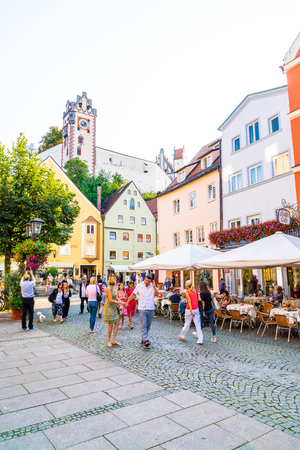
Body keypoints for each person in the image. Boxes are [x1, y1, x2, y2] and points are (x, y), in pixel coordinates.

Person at [127, 274, 159, 347]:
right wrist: (127, 302)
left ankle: (144, 338)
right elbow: (133, 295)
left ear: (151, 281)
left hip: (150, 308)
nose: (147, 282)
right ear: (144, 279)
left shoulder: (152, 286)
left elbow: (156, 294)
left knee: (148, 325)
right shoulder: (139, 286)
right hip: (142, 308)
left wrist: (154, 286)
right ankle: (146, 340)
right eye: (146, 280)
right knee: (143, 324)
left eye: (149, 281)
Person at [103, 277, 126, 347]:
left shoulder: (113, 288)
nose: (116, 281)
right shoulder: (109, 289)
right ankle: (108, 341)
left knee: (117, 322)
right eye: (115, 280)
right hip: (109, 308)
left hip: (114, 307)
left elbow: (115, 297)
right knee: (111, 324)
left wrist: (121, 302)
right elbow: (110, 300)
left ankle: (114, 340)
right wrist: (121, 303)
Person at [178, 280, 203, 345]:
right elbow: (198, 299)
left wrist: (191, 310)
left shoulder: (187, 292)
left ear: (187, 285)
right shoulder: (195, 291)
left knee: (187, 324)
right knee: (198, 325)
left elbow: (189, 301)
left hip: (190, 309)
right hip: (196, 309)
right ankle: (200, 339)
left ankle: (183, 336)